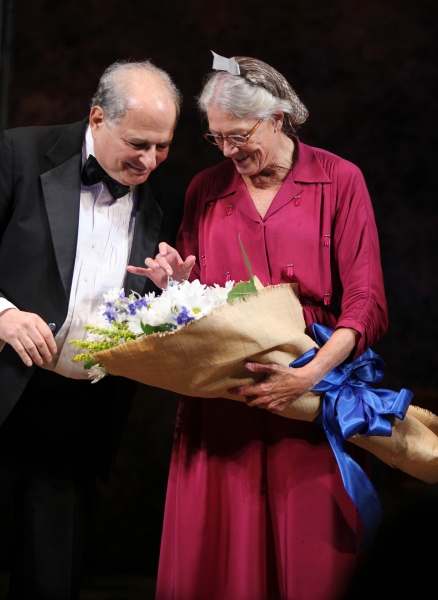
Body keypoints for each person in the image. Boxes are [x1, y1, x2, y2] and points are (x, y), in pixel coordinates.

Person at [130, 54, 388, 600]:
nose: (229, 151)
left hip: (312, 396)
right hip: (224, 400)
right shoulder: (206, 189)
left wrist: (310, 376)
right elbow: (198, 306)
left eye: (239, 135)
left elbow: (366, 304)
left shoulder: (340, 180)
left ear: (278, 117)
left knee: (312, 559)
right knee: (221, 560)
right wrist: (176, 286)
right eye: (217, 139)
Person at [0, 60, 184, 599]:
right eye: (138, 143)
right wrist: (4, 315)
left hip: (78, 416)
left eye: (163, 146)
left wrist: (167, 293)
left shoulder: (154, 205)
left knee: (53, 580)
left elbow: (134, 318)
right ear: (97, 117)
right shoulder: (17, 153)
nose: (150, 161)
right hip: (6, 388)